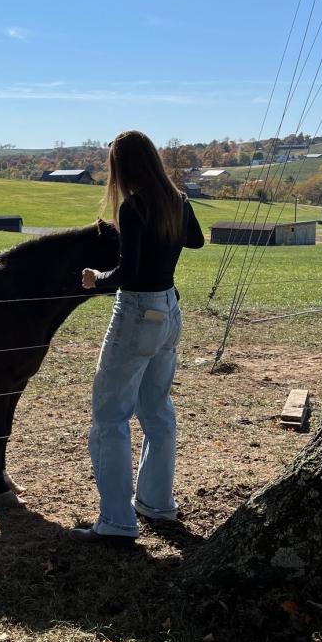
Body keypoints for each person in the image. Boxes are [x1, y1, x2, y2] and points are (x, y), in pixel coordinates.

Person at [72, 130, 204, 542]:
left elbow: (127, 274)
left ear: (123, 167)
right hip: (170, 310)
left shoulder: (133, 207)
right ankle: (156, 502)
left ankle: (116, 521)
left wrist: (96, 278)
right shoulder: (178, 201)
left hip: (136, 314)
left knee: (110, 417)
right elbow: (197, 241)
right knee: (157, 410)